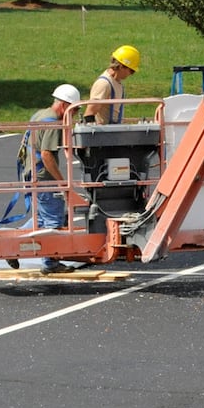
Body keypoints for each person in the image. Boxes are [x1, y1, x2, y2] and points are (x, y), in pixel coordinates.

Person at [31, 83, 80, 273]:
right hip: (44, 176)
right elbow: (47, 155)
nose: (74, 114)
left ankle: (12, 241)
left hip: (31, 172)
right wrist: (62, 183)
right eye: (74, 110)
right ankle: (50, 263)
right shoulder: (53, 123)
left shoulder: (39, 114)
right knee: (53, 219)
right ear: (64, 106)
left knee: (41, 218)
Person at [84, 45, 140, 124]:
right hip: (104, 133)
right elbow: (89, 114)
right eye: (131, 71)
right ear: (121, 66)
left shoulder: (117, 83)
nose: (131, 74)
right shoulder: (104, 84)